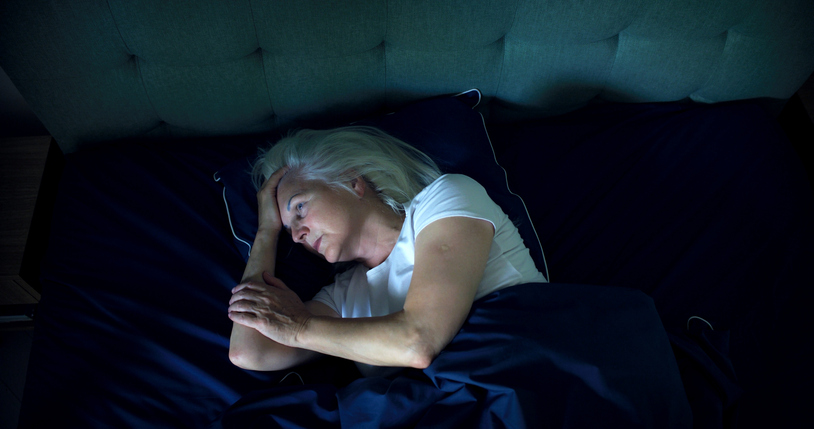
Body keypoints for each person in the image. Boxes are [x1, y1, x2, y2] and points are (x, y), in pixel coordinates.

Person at [227, 126, 546, 375]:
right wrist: (266, 234)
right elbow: (249, 352)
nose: (297, 235)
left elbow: (418, 342)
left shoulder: (446, 199)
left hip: (525, 375)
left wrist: (299, 328)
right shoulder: (340, 298)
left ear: (352, 182)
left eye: (300, 207)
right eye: (288, 231)